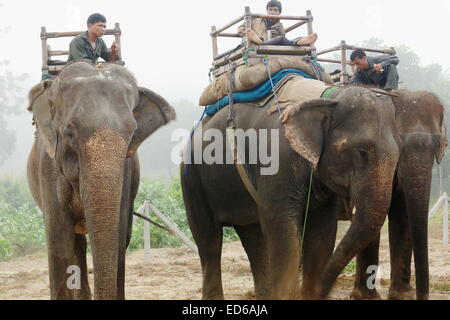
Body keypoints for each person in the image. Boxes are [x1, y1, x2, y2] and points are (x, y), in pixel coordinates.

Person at [237, 0, 318, 46]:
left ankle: (299, 41)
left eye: (275, 10)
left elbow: (281, 43)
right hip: (255, 42)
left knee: (282, 39)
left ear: (279, 12)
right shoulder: (255, 19)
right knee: (246, 39)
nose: (272, 12)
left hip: (270, 45)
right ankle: (258, 40)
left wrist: (275, 37)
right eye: (270, 9)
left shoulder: (280, 27)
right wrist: (251, 36)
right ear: (267, 11)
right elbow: (240, 29)